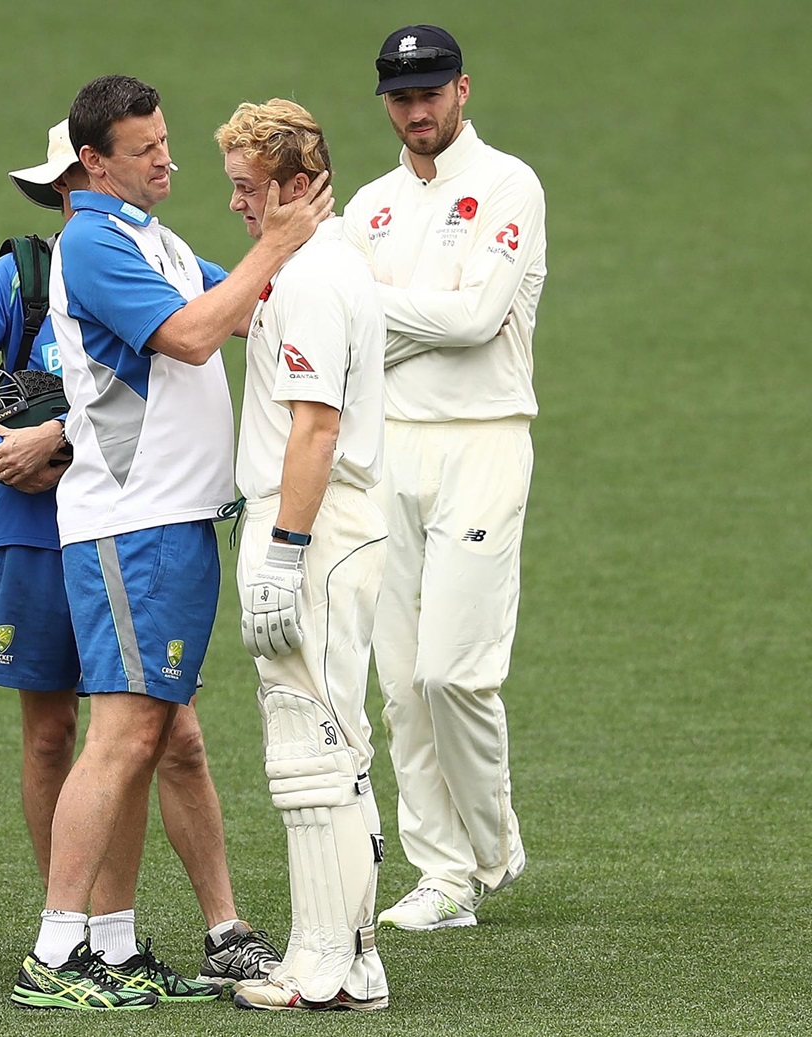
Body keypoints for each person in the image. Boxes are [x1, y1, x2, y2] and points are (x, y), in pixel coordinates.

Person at [0, 119, 284, 993]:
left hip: (114, 514)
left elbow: (212, 320)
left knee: (165, 729)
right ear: (72, 179)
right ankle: (71, 934)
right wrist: (6, 446)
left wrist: (59, 435)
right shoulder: (30, 272)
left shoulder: (144, 251)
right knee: (59, 736)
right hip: (49, 530)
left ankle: (134, 934)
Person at [9, 74, 333, 1011]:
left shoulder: (155, 237)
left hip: (174, 519)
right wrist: (273, 243)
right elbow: (192, 336)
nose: (166, 159)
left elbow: (232, 311)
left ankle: (112, 943)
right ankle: (58, 949)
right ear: (93, 163)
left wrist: (284, 253)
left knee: (167, 731)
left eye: (164, 140)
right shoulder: (92, 240)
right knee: (124, 733)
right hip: (132, 520)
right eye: (145, 149)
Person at [342, 24, 547, 931]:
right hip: (389, 448)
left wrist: (378, 309)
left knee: (454, 673)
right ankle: (443, 875)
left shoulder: (508, 184)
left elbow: (478, 319)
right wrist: (415, 318)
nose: (416, 109)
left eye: (430, 91)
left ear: (463, 90)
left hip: (484, 440)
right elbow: (348, 332)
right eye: (400, 95)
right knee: (400, 683)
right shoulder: (371, 206)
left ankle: (493, 842)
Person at [211, 99, 391, 1012]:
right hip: (333, 527)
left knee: (309, 745)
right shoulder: (325, 260)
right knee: (337, 741)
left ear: (293, 186)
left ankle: (320, 963)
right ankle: (356, 959)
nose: (239, 205)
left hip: (313, 528)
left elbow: (315, 426)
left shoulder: (318, 274)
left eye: (249, 188)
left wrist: (283, 551)